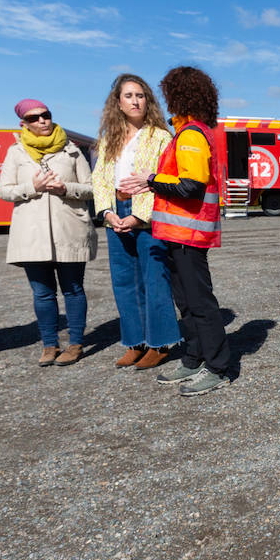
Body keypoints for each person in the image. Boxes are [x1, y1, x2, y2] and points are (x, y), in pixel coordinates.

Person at [119, 65, 230, 397]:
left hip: (189, 236)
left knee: (200, 303)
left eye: (167, 93)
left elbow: (191, 186)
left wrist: (149, 180)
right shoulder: (187, 132)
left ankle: (219, 366)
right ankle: (194, 357)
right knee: (187, 303)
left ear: (177, 94)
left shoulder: (192, 134)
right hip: (177, 235)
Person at [90, 74, 181, 370]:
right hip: (116, 211)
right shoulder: (108, 139)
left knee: (154, 280)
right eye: (128, 95)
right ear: (117, 102)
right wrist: (107, 212)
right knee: (124, 283)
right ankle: (135, 342)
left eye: (140, 95)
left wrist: (139, 215)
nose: (135, 100)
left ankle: (160, 344)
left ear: (148, 100)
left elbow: (165, 180)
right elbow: (100, 178)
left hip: (147, 213)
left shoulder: (160, 136)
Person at [0, 99, 96, 366]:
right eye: (33, 118)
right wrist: (33, 186)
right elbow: (4, 190)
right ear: (23, 123)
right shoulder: (16, 152)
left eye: (45, 115)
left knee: (73, 289)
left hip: (69, 228)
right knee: (42, 293)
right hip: (32, 232)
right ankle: (49, 345)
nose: (41, 120)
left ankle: (75, 344)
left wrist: (66, 188)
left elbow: (92, 188)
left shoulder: (72, 150)